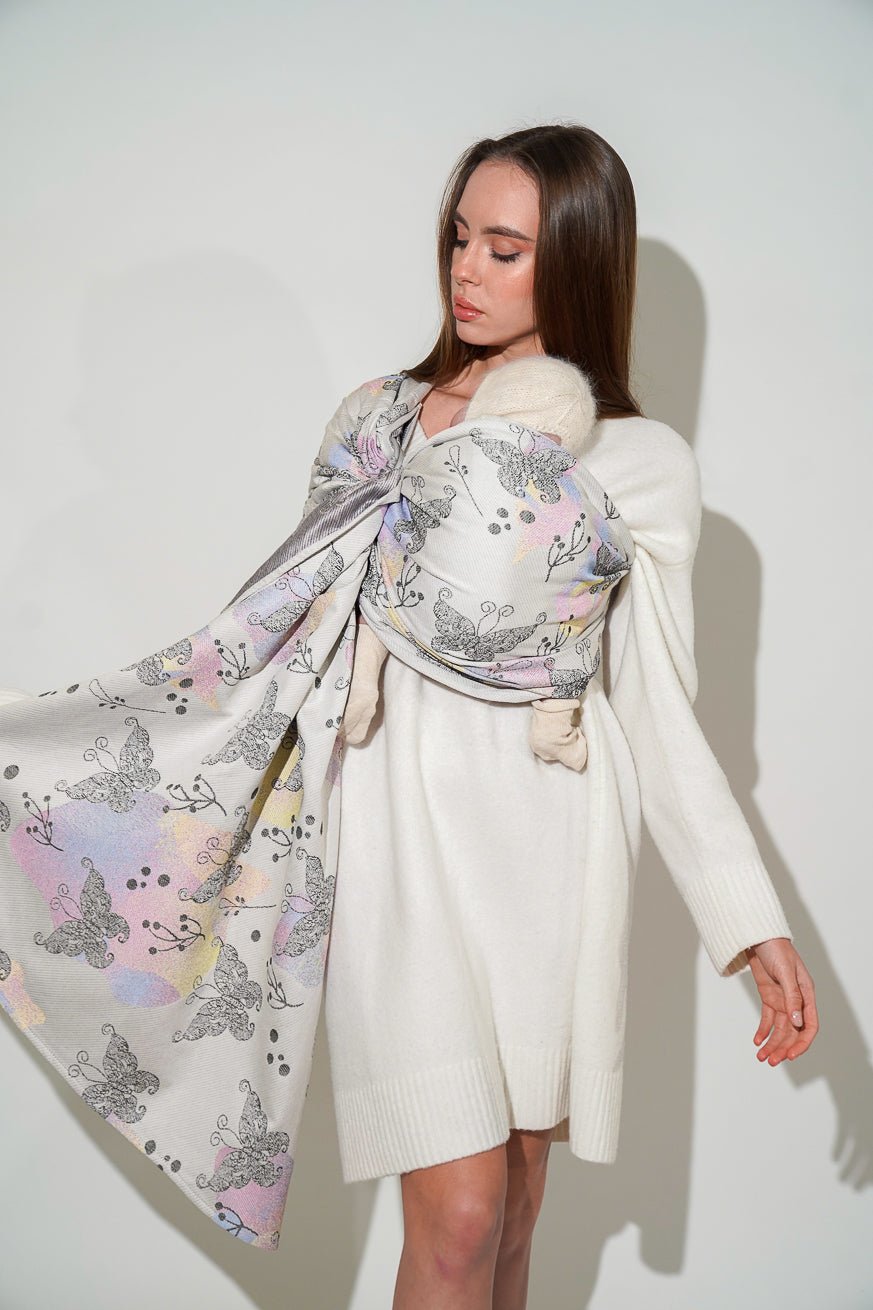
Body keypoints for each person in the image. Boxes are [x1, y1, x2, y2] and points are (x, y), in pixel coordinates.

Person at [319, 123, 818, 1310]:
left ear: (580, 261)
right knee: (460, 1215)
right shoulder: (376, 423)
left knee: (513, 1211)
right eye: (459, 238)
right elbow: (296, 633)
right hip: (396, 838)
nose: (466, 269)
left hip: (548, 851)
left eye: (505, 248)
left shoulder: (640, 462)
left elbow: (655, 702)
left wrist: (748, 920)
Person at [341, 354, 603, 773]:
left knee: (389, 568)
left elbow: (415, 482)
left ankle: (360, 682)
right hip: (528, 619)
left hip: (428, 601)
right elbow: (601, 536)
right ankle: (554, 724)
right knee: (580, 616)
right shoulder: (572, 481)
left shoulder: (460, 436)